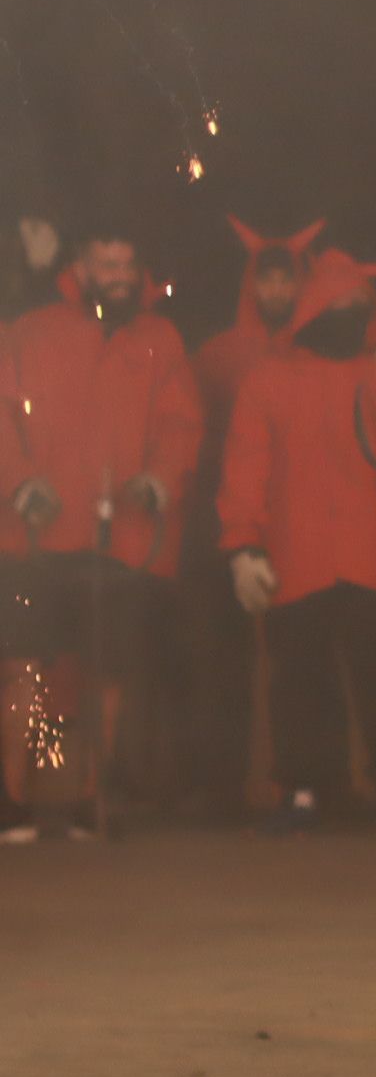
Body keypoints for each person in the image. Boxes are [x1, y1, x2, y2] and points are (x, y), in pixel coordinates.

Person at [0, 224, 202, 839]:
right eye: (104, 262)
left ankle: (92, 792)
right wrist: (18, 481)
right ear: (81, 266)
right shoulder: (30, 331)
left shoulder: (161, 339)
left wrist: (160, 479)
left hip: (119, 539)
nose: (116, 274)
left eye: (125, 262)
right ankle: (16, 796)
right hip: (34, 537)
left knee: (104, 668)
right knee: (26, 667)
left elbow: (179, 424)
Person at [217, 248, 376, 833]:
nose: (352, 316)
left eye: (361, 306)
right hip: (297, 549)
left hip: (366, 546)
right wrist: (244, 546)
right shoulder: (269, 378)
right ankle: (308, 789)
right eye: (340, 306)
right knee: (300, 677)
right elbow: (246, 468)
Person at [176, 221, 323, 821]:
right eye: (268, 280)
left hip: (300, 521)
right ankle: (221, 790)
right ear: (251, 285)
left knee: (301, 659)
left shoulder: (321, 354)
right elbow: (194, 435)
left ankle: (305, 787)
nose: (277, 292)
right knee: (221, 661)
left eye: (288, 281)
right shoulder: (217, 354)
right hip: (225, 521)